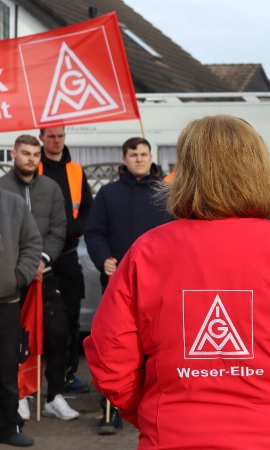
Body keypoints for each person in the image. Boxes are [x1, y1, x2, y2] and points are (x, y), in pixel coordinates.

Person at [84, 115, 270, 449]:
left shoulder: (146, 253)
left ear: (185, 173)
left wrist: (154, 414)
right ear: (259, 169)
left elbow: (110, 359)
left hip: (173, 436)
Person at [83, 137, 172, 434]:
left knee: (160, 345)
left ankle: (157, 404)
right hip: (120, 282)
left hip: (162, 284)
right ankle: (112, 410)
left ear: (151, 157)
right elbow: (94, 232)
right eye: (133, 154)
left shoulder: (167, 194)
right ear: (124, 158)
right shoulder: (108, 194)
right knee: (118, 344)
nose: (139, 159)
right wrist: (103, 259)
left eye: (144, 154)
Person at [0, 135, 79, 422]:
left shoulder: (51, 187)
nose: (31, 158)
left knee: (57, 334)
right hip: (11, 280)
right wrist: (21, 269)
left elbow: (59, 228)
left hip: (46, 275)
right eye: (25, 153)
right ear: (13, 154)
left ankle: (53, 395)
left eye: (35, 153)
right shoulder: (2, 188)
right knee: (13, 341)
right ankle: (18, 396)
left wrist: (41, 260)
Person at [38, 127, 93, 394]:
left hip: (69, 256)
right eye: (51, 136)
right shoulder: (33, 169)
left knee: (71, 319)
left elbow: (87, 209)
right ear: (42, 139)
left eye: (60, 136)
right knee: (38, 323)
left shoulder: (76, 171)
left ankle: (69, 375)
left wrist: (74, 230)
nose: (56, 140)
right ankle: (34, 383)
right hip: (39, 259)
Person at [0, 187, 42, 447]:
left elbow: (32, 243)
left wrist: (18, 278)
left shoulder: (13, 204)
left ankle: (8, 426)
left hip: (7, 302)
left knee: (6, 368)